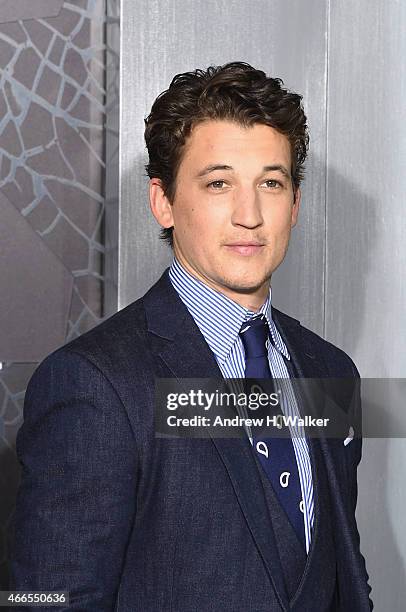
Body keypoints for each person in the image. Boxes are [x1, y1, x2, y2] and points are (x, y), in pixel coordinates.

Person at [9, 62, 373, 611]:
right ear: (163, 201)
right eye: (219, 183)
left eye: (270, 183)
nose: (249, 215)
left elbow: (340, 576)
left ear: (295, 204)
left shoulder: (330, 370)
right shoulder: (94, 383)